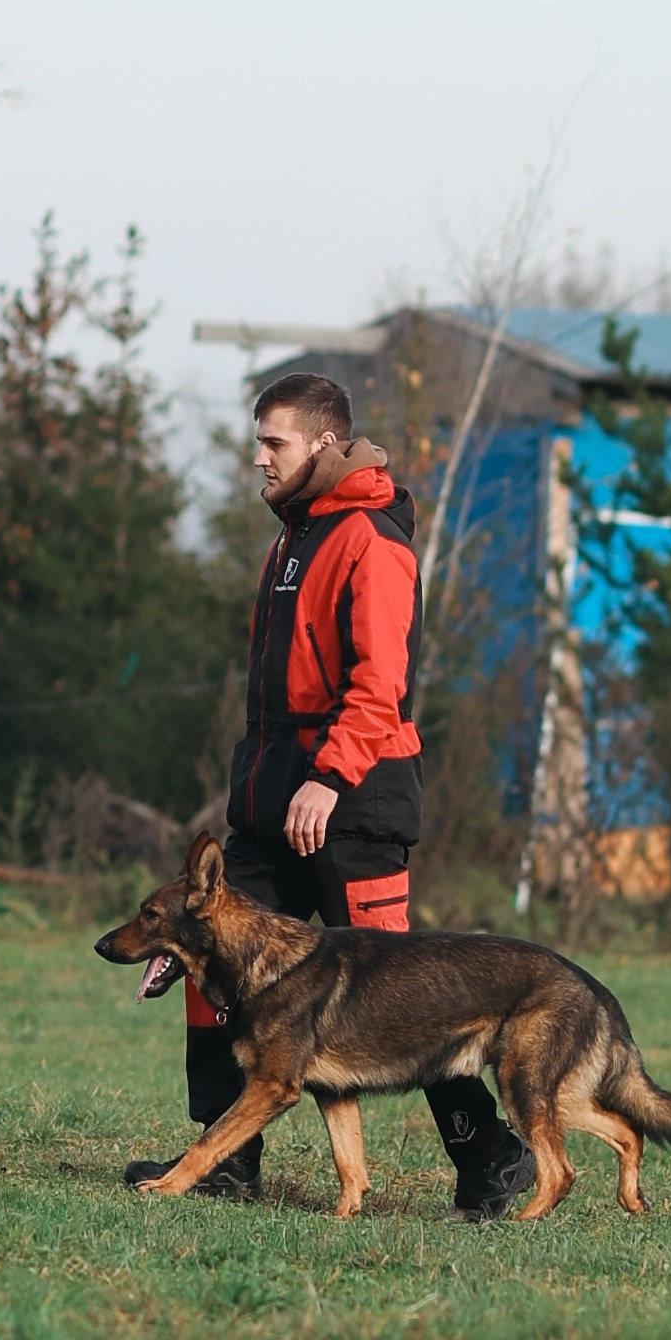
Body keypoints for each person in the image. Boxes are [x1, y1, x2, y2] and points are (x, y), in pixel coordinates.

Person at [124, 372, 534, 1221]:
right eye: (258, 442)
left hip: (353, 806)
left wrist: (329, 775)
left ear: (321, 443)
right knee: (212, 972)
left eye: (273, 442)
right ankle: (227, 1160)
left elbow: (380, 683)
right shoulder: (290, 540)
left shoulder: (372, 541)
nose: (259, 458)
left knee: (408, 1000)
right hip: (272, 809)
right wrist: (260, 787)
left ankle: (491, 1158)